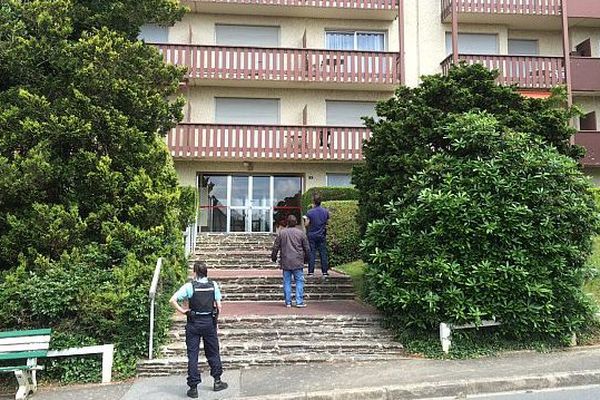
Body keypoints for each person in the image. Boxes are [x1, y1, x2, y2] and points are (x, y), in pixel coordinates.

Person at [170, 261, 228, 398]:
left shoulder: (189, 286)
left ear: (195, 272)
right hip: (209, 322)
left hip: (193, 322)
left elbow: (172, 300)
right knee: (213, 352)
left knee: (193, 355)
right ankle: (217, 381)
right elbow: (219, 306)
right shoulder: (213, 285)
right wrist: (215, 319)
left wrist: (184, 311)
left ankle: (193, 387)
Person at [271, 214, 310, 308]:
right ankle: (299, 301)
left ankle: (288, 302)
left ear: (287, 223)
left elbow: (276, 246)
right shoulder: (301, 233)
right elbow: (307, 248)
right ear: (296, 223)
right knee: (299, 281)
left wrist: (274, 256)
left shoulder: (282, 233)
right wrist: (307, 259)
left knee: (287, 282)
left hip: (286, 261)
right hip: (298, 261)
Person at [304, 193, 330, 277]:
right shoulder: (325, 211)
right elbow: (327, 223)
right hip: (322, 234)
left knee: (312, 253)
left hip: (312, 235)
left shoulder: (310, 212)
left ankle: (311, 272)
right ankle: (325, 272)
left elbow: (307, 224)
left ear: (313, 202)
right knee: (323, 253)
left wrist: (305, 219)